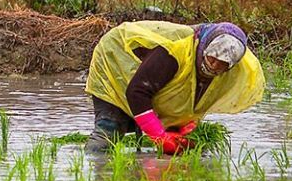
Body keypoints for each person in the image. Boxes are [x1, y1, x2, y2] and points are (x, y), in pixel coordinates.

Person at [84, 20, 264, 153]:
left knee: (183, 145)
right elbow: (137, 92)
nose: (214, 66)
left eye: (222, 64)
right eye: (212, 58)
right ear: (204, 48)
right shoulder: (173, 53)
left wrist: (186, 126)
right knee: (111, 129)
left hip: (153, 82)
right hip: (115, 59)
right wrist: (160, 137)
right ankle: (94, 168)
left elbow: (197, 96)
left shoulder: (234, 69)